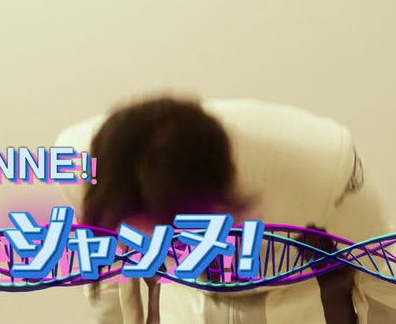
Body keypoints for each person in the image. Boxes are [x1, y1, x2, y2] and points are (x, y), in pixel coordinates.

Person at [57, 96, 396, 323]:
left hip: (302, 299)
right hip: (185, 303)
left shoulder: (320, 163)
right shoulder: (80, 165)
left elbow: (382, 275)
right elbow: (110, 274)